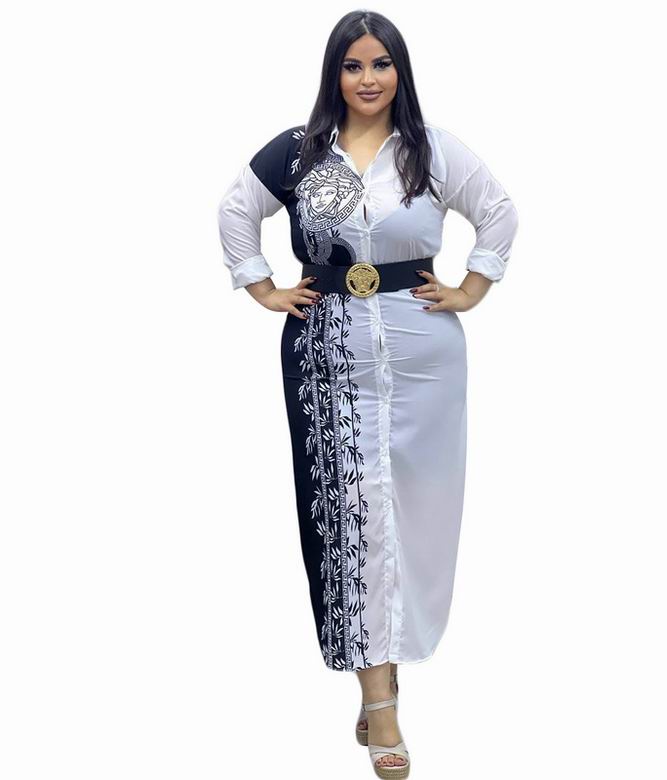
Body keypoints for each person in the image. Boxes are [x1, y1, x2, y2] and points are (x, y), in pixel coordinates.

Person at [217, 10, 519, 778]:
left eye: (381, 64)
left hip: (423, 356)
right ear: (334, 74)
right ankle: (378, 699)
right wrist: (261, 286)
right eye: (353, 66)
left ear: (400, 71)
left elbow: (498, 211)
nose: (368, 79)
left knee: (415, 515)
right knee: (351, 516)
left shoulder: (430, 151)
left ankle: (387, 668)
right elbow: (236, 210)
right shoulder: (302, 152)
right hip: (328, 351)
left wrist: (472, 287)